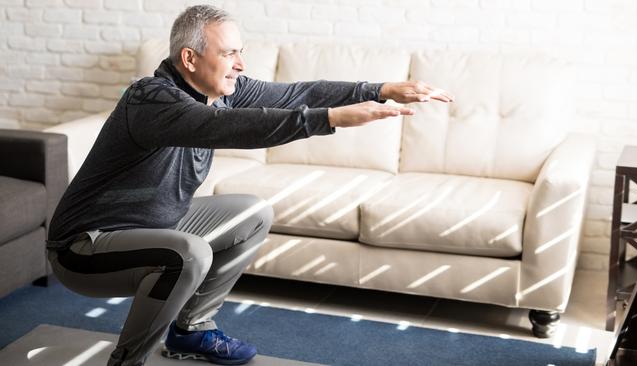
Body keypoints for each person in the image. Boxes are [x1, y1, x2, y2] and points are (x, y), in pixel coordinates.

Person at [45, 4, 454, 366]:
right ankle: (127, 361)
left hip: (153, 227)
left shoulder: (221, 91)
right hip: (85, 247)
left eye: (241, 51)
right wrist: (328, 118)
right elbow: (231, 127)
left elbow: (297, 92)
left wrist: (377, 90)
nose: (240, 64)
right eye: (229, 53)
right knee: (188, 255)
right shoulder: (152, 100)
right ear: (189, 58)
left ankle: (192, 330)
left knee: (253, 214)